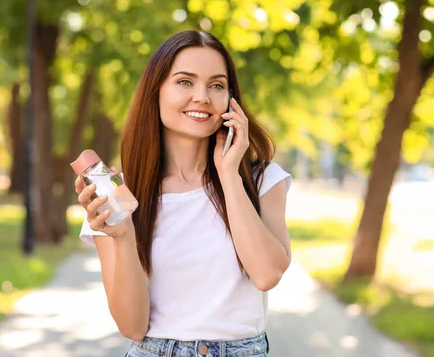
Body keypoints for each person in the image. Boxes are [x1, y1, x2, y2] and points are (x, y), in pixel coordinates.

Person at [75, 30, 292, 357]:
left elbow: (266, 274)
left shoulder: (261, 180)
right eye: (185, 82)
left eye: (217, 85)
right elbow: (133, 326)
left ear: (231, 100)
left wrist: (229, 174)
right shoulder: (120, 195)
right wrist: (122, 235)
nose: (202, 96)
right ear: (156, 90)